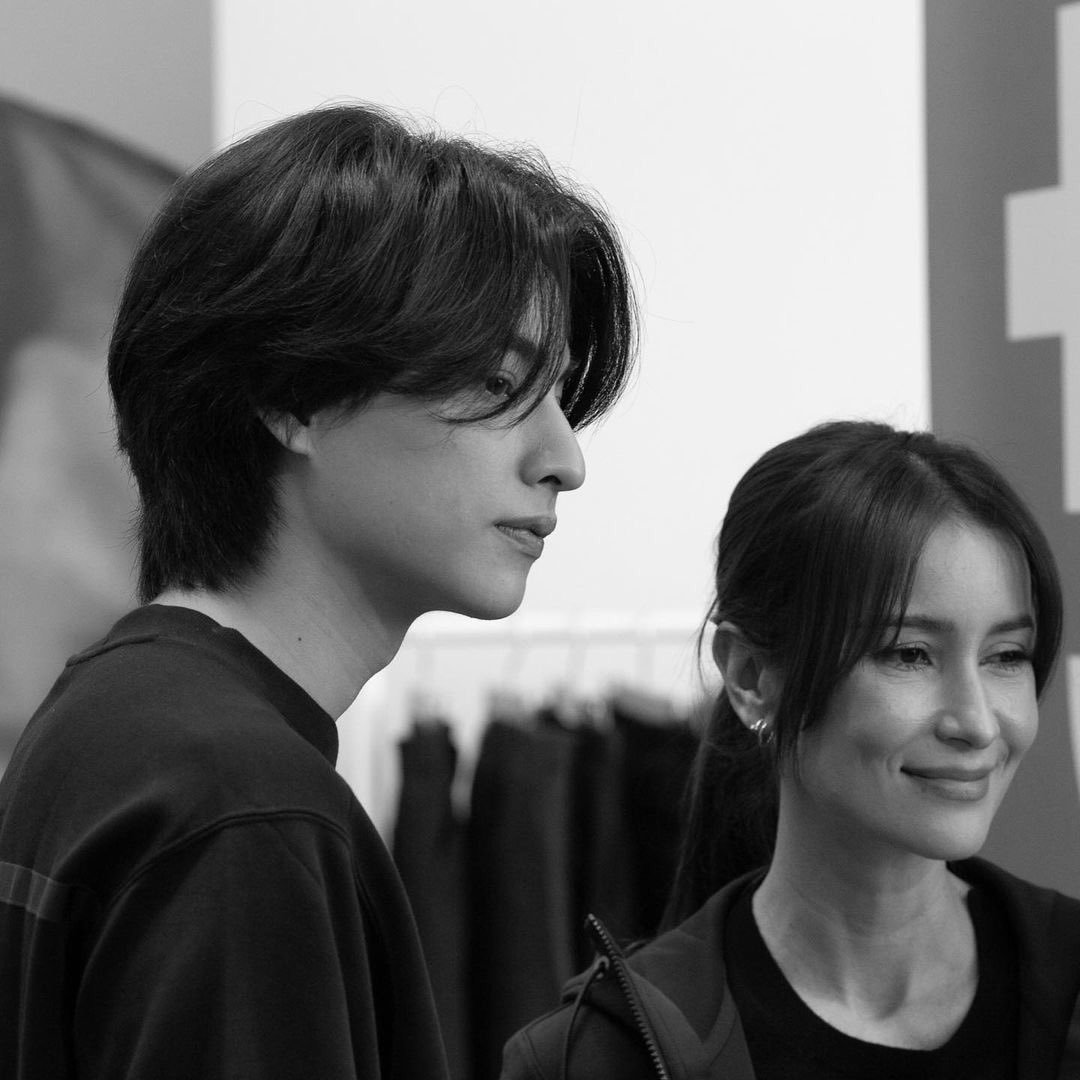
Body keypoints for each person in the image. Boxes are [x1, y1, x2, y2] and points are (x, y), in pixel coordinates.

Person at [0, 103, 635, 1079]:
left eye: (560, 395)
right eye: (500, 384)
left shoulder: (112, 720)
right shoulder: (241, 808)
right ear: (292, 394)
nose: (563, 460)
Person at [502, 420, 1080, 1080]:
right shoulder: (598, 1058)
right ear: (751, 676)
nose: (976, 722)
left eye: (1006, 656)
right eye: (910, 654)